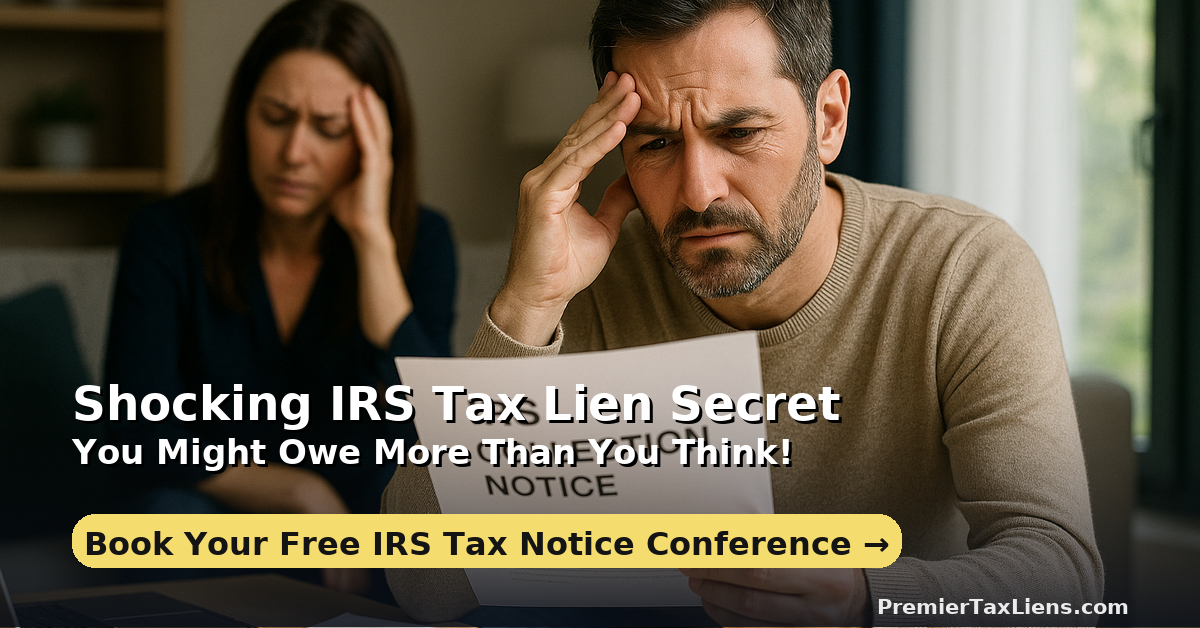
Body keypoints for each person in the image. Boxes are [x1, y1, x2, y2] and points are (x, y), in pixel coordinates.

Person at [382, 0, 1103, 625]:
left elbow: (1061, 581)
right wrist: (526, 307)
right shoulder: (588, 281)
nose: (698, 192)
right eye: (657, 143)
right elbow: (423, 582)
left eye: (738, 134)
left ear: (828, 118)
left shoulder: (965, 269)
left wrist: (865, 601)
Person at [104, 0, 455, 595]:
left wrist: (372, 239)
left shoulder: (422, 241)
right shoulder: (165, 235)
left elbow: (429, 440)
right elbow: (133, 426)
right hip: (217, 523)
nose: (294, 153)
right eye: (275, 117)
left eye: (329, 129)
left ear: (375, 139)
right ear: (243, 116)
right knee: (160, 522)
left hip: (367, 533)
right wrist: (298, 493)